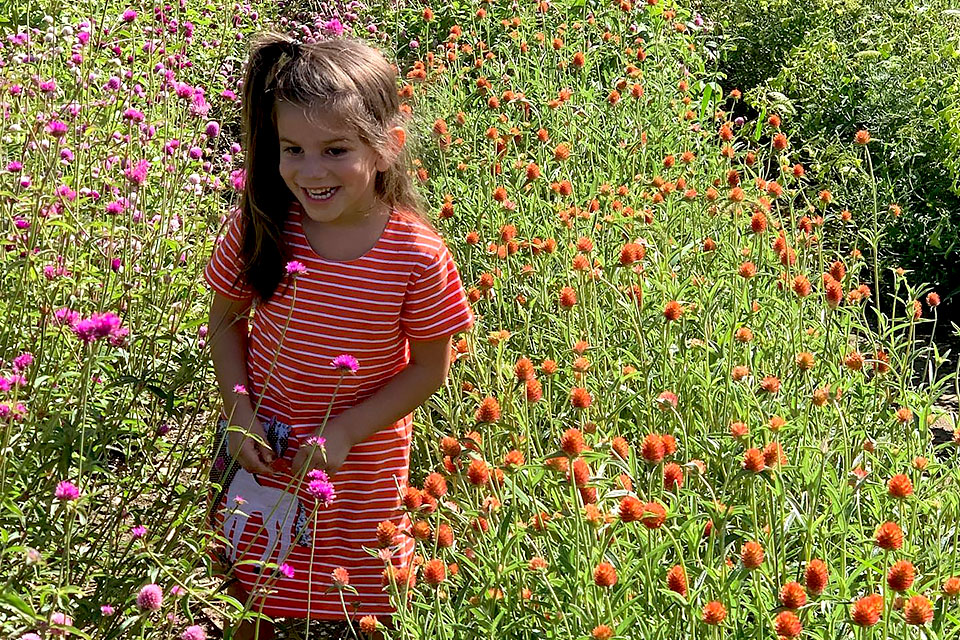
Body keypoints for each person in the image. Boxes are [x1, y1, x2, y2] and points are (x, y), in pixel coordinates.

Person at [203, 30, 474, 640]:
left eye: (335, 150)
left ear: (387, 147)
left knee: (362, 591)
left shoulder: (416, 255)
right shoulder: (264, 223)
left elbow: (430, 369)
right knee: (251, 581)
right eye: (292, 148)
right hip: (263, 440)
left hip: (357, 456)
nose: (310, 170)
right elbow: (224, 322)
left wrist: (346, 429)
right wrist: (240, 409)